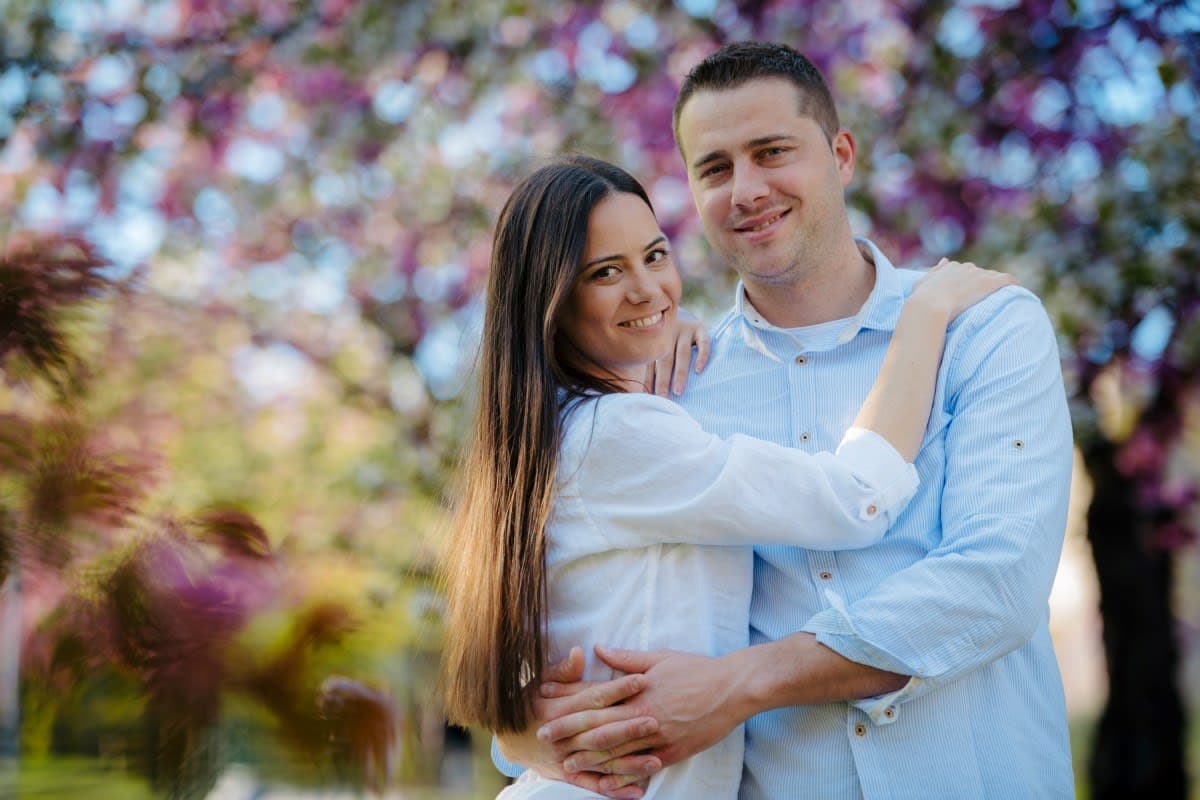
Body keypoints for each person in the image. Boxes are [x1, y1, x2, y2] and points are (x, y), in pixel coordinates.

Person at [492, 43, 1075, 800]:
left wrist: (738, 685)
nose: (747, 190)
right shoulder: (669, 387)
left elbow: (995, 583)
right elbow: (579, 614)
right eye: (715, 168)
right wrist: (534, 732)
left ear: (841, 155)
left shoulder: (982, 328)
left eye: (772, 152)